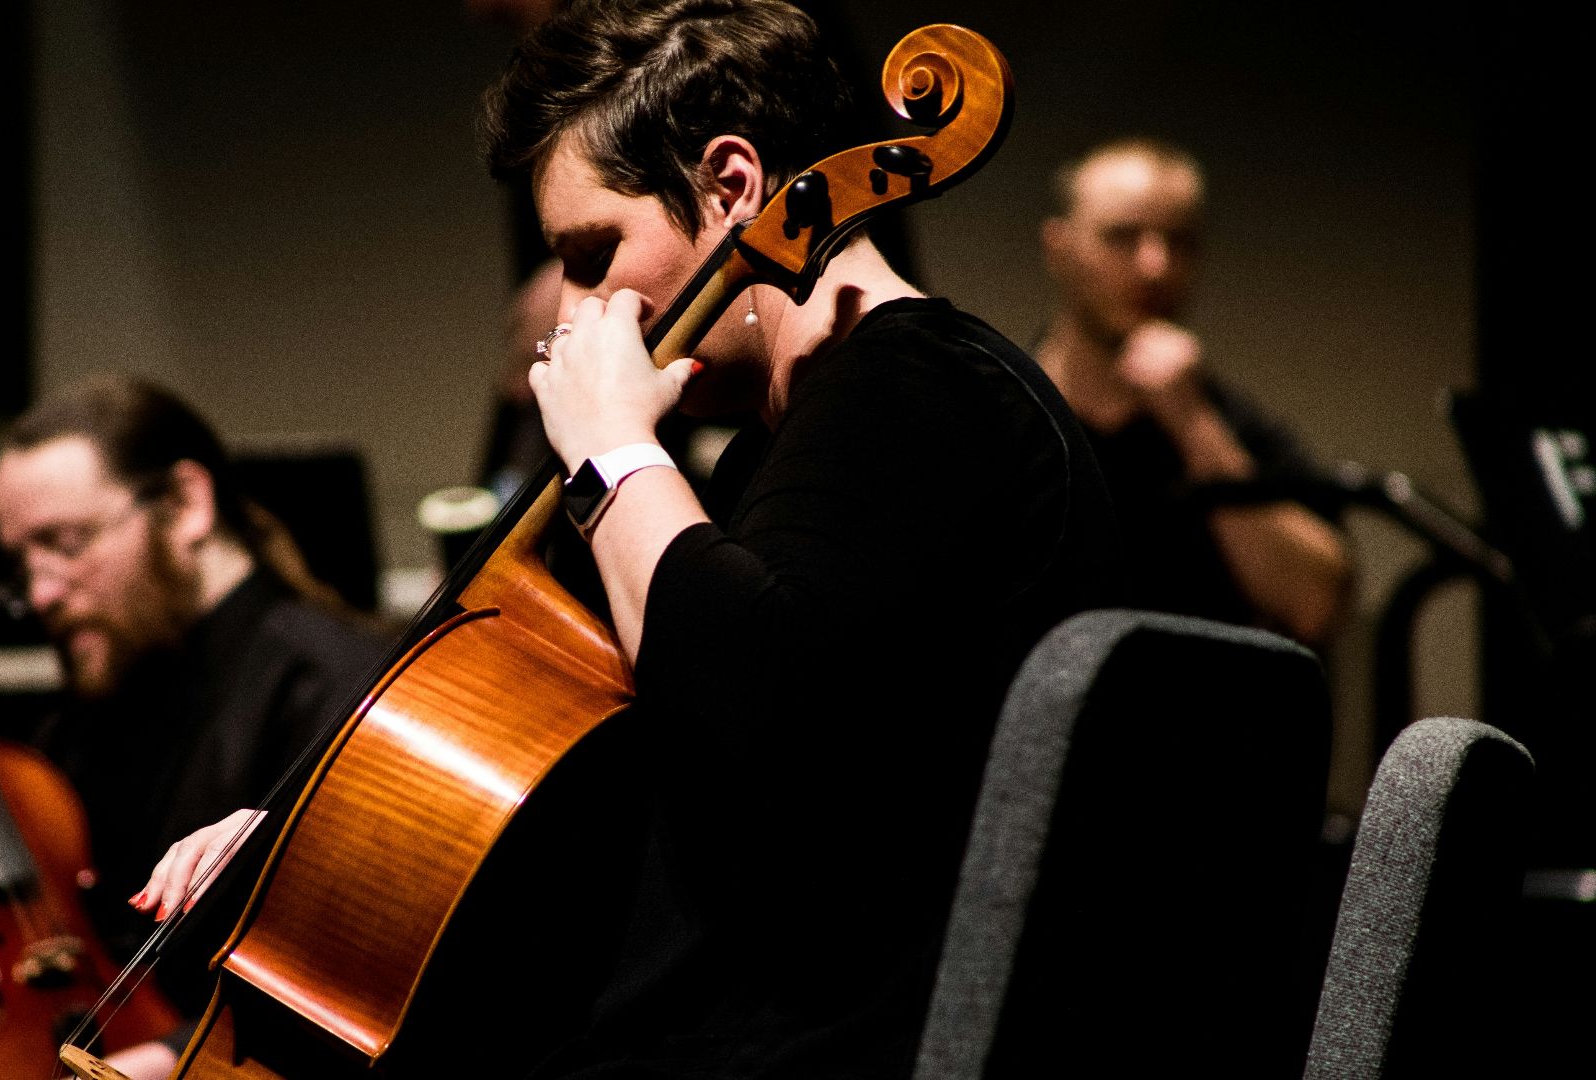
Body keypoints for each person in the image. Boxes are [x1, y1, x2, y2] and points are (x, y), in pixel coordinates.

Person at [140, 3, 1118, 1076]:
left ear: (731, 188)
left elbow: (754, 708)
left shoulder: (920, 388)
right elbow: (618, 797)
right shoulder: (774, 457)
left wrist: (610, 448)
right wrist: (319, 843)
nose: (571, 312)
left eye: (593, 251)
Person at [0, 375, 388, 1077]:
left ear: (185, 505)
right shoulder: (85, 714)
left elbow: (356, 984)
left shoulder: (336, 685)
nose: (43, 593)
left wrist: (171, 1060)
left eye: (67, 542)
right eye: (23, 563)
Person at [1035, 137, 1350, 646]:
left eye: (1179, 241)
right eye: (1122, 236)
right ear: (1060, 247)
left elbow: (1314, 604)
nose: (1154, 265)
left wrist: (1191, 421)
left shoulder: (1234, 427)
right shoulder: (1002, 414)